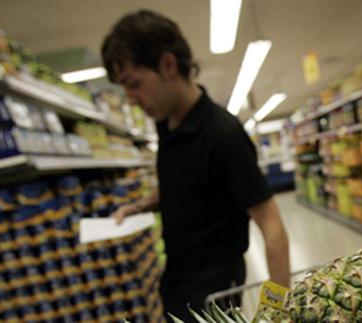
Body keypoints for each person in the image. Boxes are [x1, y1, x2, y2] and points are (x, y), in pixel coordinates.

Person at [101, 9, 290, 321]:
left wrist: (276, 312)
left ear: (168, 64)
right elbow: (181, 184)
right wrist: (140, 207)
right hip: (176, 278)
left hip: (215, 291)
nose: (130, 99)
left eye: (133, 83)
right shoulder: (166, 124)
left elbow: (272, 226)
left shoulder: (223, 134)